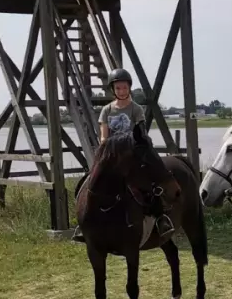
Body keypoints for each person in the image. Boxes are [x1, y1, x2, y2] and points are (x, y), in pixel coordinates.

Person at [73, 67, 171, 242]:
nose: (122, 91)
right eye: (118, 88)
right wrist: (107, 147)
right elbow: (104, 136)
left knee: (150, 184)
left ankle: (161, 218)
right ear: (113, 90)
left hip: (132, 154)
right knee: (88, 182)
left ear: (129, 88)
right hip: (111, 155)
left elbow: (141, 132)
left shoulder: (136, 109)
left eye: (124, 87)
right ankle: (83, 224)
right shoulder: (106, 110)